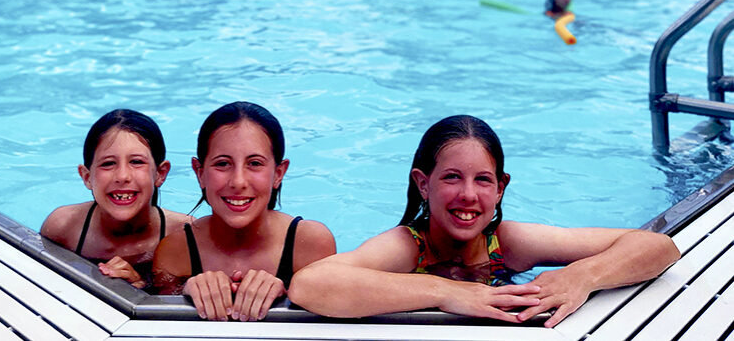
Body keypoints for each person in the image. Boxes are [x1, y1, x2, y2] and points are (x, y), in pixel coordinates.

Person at [289, 115, 679, 327]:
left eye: (483, 180)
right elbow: (310, 284)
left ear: (500, 189)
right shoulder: (409, 246)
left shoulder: (508, 243)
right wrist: (446, 292)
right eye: (451, 177)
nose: (469, 196)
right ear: (423, 184)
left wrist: (583, 277)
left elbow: (658, 246)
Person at [153, 102, 335, 321]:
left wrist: (289, 295)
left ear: (279, 173)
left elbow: (330, 321)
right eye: (222, 164)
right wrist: (183, 292)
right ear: (199, 173)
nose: (238, 182)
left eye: (255, 163)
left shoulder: (308, 243)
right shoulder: (176, 250)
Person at [40, 109, 191, 290]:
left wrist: (140, 289)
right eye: (108, 163)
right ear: (87, 177)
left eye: (136, 162)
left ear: (160, 173)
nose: (122, 176)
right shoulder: (64, 228)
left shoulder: (183, 235)